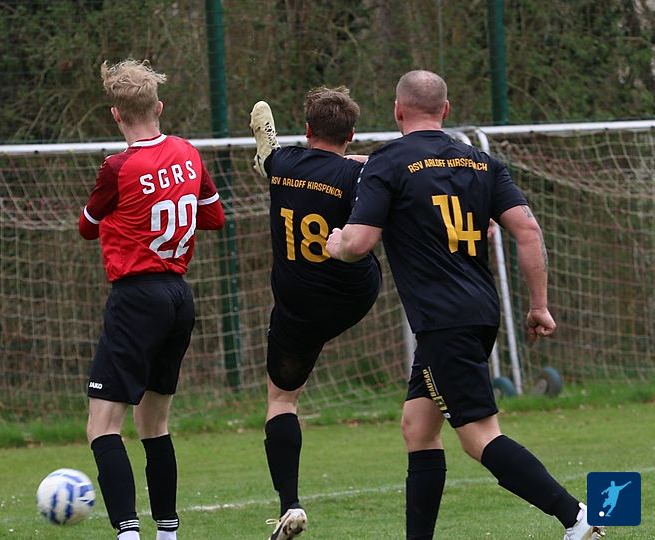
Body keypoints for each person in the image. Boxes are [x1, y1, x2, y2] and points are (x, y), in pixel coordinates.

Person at [324, 69, 604, 540]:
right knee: (418, 428)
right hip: (476, 312)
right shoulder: (481, 163)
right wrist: (539, 305)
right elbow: (528, 230)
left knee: (479, 438)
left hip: (442, 321)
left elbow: (359, 242)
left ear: (397, 110)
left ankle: (576, 517)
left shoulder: (389, 163)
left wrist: (338, 245)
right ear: (446, 110)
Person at [79, 59, 226, 540]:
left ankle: (127, 533)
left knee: (103, 426)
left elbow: (86, 227)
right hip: (179, 297)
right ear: (159, 108)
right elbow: (214, 218)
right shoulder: (188, 152)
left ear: (116, 115)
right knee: (154, 425)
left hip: (136, 297)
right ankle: (167, 532)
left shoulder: (116, 168)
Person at [249, 87, 381, 540]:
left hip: (298, 304)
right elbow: (375, 172)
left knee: (282, 401)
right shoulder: (359, 175)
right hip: (352, 296)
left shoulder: (283, 164)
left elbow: (270, 160)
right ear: (351, 135)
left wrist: (268, 150)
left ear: (307, 130)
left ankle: (290, 504)